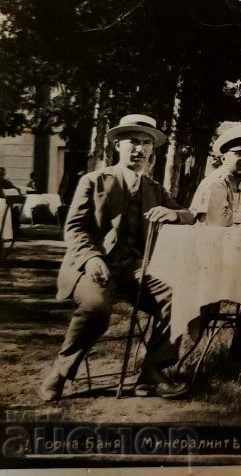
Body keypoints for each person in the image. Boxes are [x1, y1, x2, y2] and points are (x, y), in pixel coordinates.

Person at [39, 114, 195, 402]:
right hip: (92, 267)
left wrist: (175, 214)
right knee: (96, 308)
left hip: (134, 270)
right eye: (133, 142)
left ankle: (152, 373)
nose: (139, 149)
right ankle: (60, 373)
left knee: (181, 299)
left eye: (146, 143)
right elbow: (74, 228)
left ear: (152, 150)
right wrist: (90, 258)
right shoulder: (94, 180)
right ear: (117, 146)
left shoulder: (154, 189)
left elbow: (189, 215)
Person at [188, 124, 241, 364]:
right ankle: (238, 358)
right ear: (223, 157)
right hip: (205, 261)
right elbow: (218, 231)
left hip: (226, 258)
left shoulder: (240, 184)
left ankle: (239, 356)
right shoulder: (216, 184)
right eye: (238, 154)